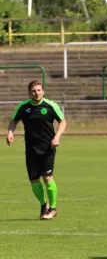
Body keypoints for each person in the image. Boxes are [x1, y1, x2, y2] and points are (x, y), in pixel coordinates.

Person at [6, 80, 67, 220]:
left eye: (39, 90)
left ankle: (53, 208)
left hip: (48, 147)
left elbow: (62, 121)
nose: (36, 93)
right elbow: (14, 120)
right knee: (34, 180)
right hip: (31, 148)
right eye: (34, 91)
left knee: (47, 177)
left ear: (43, 91)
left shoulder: (50, 105)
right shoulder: (23, 107)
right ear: (29, 93)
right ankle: (44, 205)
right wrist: (10, 132)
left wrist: (57, 137)